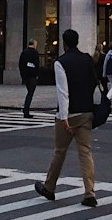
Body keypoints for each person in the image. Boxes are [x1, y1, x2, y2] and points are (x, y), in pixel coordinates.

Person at [35, 29, 100, 207]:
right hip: (86, 111)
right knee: (85, 152)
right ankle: (90, 193)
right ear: (77, 41)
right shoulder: (87, 59)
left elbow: (63, 92)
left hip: (69, 114)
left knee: (59, 150)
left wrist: (64, 117)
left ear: (64, 43)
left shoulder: (60, 63)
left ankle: (49, 187)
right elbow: (94, 82)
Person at [19, 38, 41, 118]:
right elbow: (37, 64)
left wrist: (22, 74)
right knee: (30, 93)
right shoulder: (35, 53)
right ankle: (26, 110)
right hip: (32, 76)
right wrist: (37, 74)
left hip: (26, 75)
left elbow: (21, 64)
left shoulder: (24, 52)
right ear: (34, 44)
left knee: (29, 92)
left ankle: (26, 109)